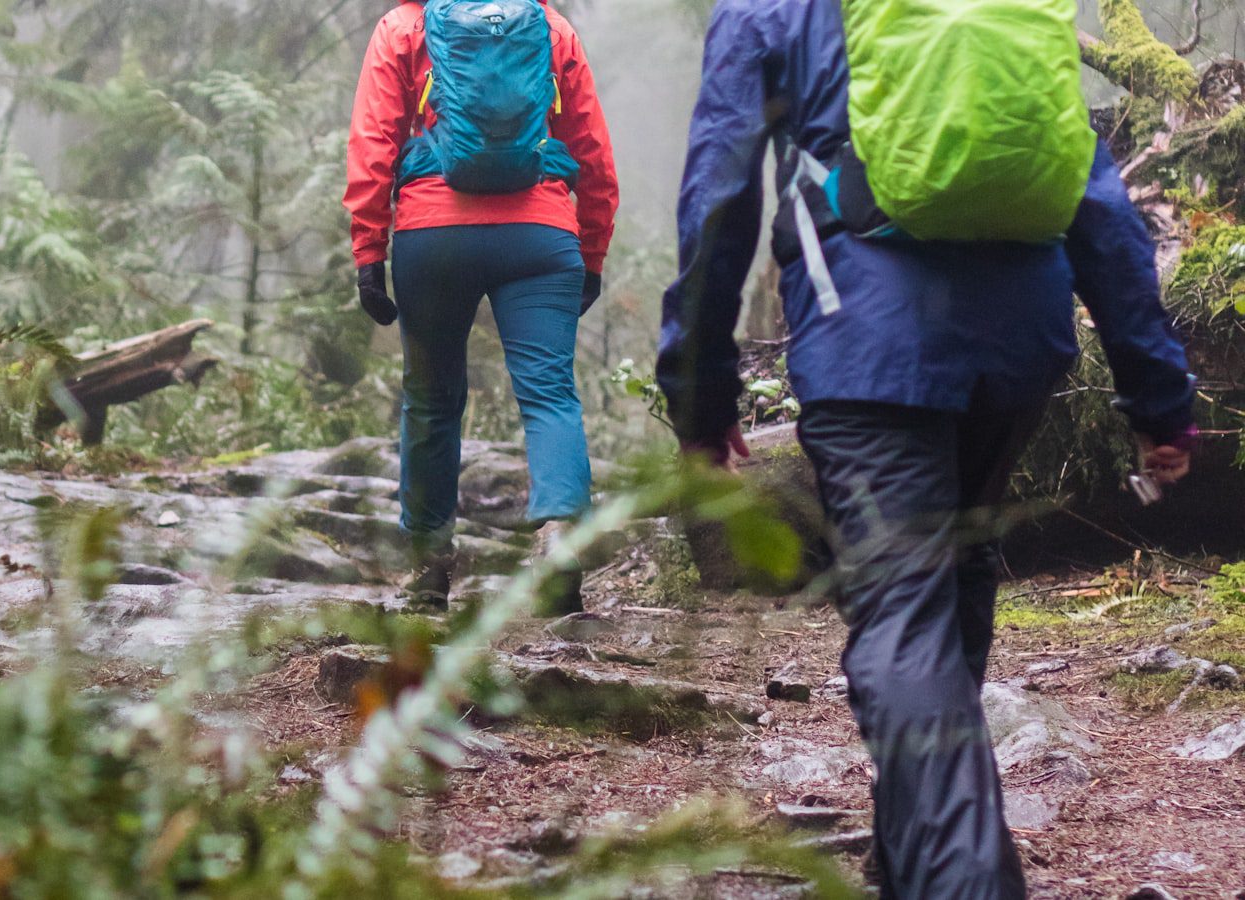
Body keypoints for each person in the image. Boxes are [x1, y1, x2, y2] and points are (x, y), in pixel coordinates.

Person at [658, 0, 1195, 895]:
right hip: (1020, 347)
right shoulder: (1008, 9)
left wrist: (699, 397)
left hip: (870, 348)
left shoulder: (770, 11)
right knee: (956, 567)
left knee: (902, 610)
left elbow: (717, 199)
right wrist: (1157, 396)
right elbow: (1095, 199)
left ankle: (963, 878)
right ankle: (913, 857)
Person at [345, 0, 619, 610]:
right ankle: (560, 538)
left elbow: (374, 140)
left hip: (431, 236)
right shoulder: (551, 28)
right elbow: (592, 149)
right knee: (548, 390)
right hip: (540, 236)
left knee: (431, 399)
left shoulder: (404, 27)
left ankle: (429, 568)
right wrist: (592, 250)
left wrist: (369, 248)